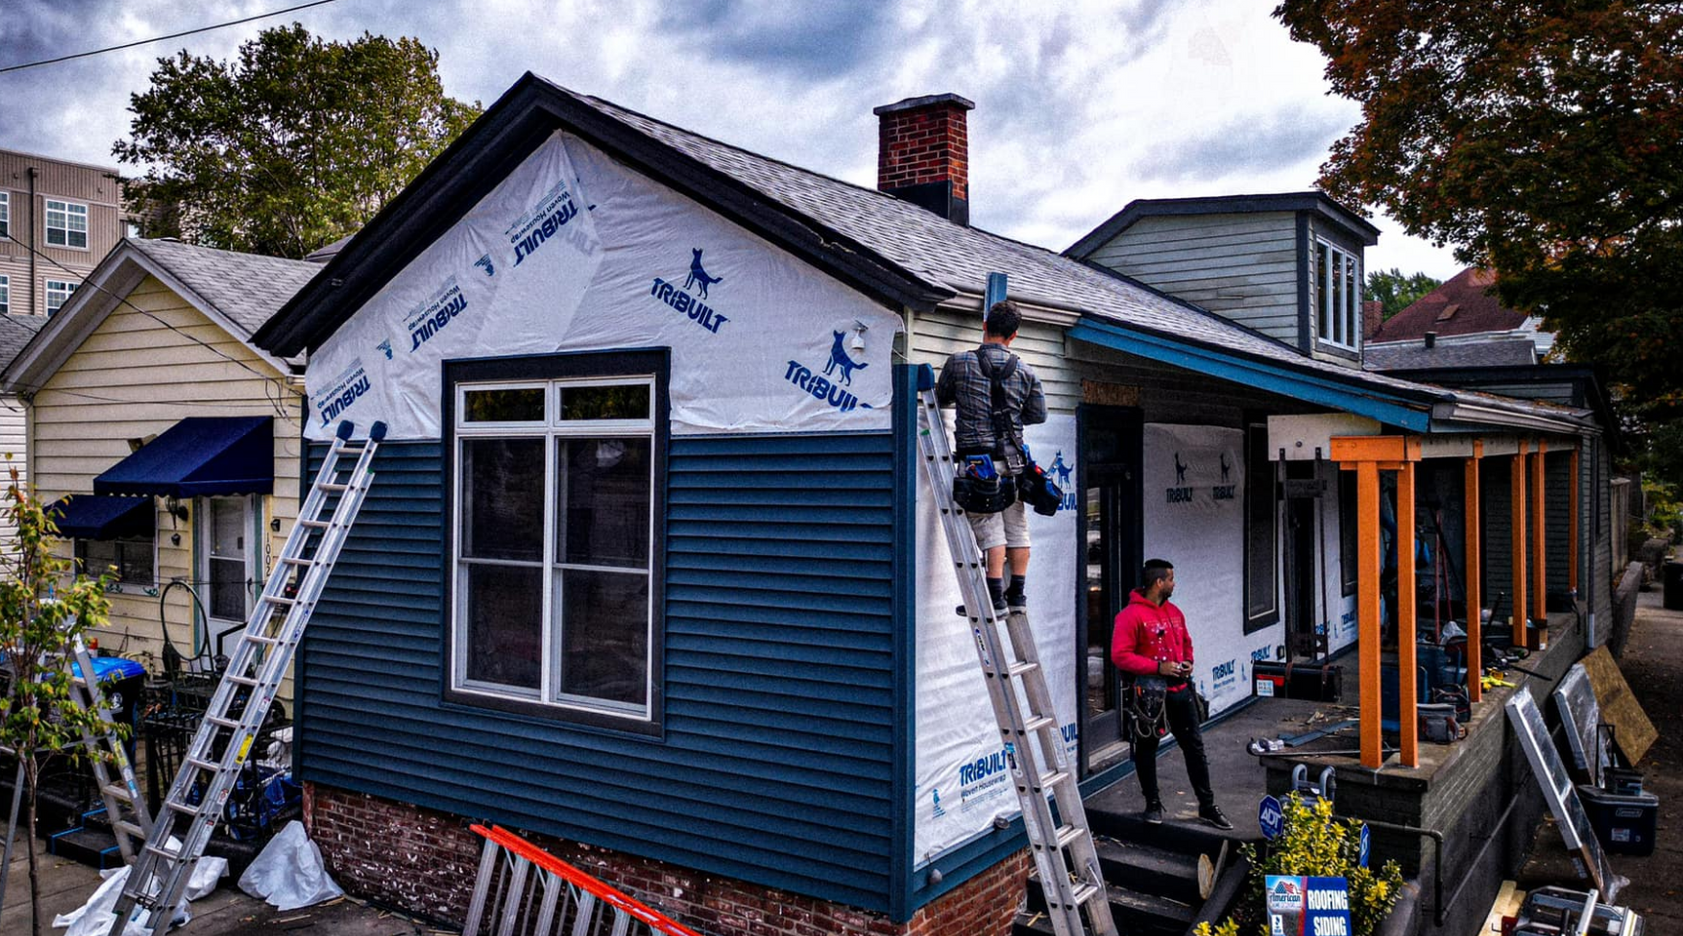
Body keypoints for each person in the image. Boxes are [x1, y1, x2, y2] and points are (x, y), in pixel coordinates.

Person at [935, 300, 1047, 611]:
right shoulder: (1026, 371)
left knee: (988, 524)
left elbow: (941, 396)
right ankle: (1018, 596)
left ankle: (995, 597)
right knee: (1017, 527)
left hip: (977, 461)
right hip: (1014, 461)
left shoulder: (958, 364)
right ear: (1014, 335)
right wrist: (1010, 417)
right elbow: (1038, 415)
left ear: (985, 326)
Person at [1110, 559, 1233, 829]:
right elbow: (1120, 656)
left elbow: (1186, 643)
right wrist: (1157, 667)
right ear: (1159, 582)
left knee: (1195, 749)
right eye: (1171, 579)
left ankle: (1207, 806)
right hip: (1151, 697)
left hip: (1181, 692)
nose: (1174, 584)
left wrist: (1188, 662)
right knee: (1146, 749)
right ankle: (1152, 804)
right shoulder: (1130, 616)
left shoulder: (1175, 612)